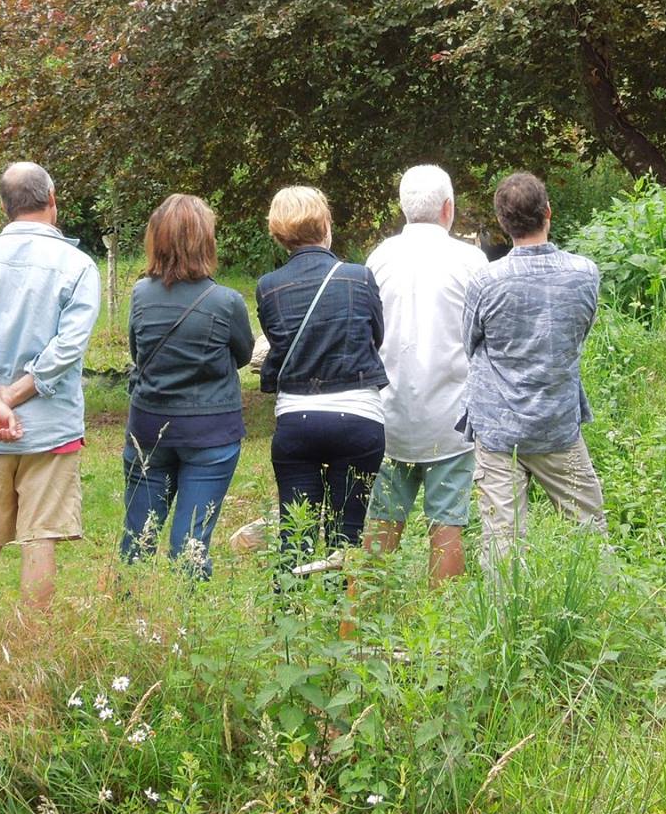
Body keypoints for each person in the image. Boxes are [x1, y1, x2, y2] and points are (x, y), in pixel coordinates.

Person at [0, 163, 100, 613]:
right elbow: (68, 346)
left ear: (4, 207)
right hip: (48, 429)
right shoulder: (77, 265)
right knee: (40, 538)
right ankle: (31, 642)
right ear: (52, 200)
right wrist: (6, 398)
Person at [463, 171, 605, 567]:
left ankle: (504, 620)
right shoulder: (585, 273)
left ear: (503, 223)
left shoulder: (485, 282)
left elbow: (468, 341)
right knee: (589, 527)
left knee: (501, 540)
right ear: (548, 212)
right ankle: (601, 607)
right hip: (558, 422)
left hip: (497, 428)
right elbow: (580, 333)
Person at [120, 194, 254, 576]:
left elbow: (138, 350)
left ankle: (130, 609)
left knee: (138, 536)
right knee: (191, 542)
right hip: (210, 431)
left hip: (149, 426)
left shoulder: (141, 294)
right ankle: (186, 622)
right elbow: (243, 355)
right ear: (205, 240)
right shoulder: (226, 302)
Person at [254, 185, 387, 568]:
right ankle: (343, 620)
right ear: (326, 224)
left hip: (296, 418)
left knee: (295, 535)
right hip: (358, 415)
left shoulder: (268, 287)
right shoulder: (358, 277)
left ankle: (290, 615)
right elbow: (375, 337)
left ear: (278, 234)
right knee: (348, 536)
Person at [365, 165, 486, 585]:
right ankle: (445, 631)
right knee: (448, 521)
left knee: (381, 517)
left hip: (389, 412)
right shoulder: (470, 260)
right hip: (451, 414)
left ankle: (358, 622)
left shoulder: (378, 258)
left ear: (403, 208)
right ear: (448, 209)